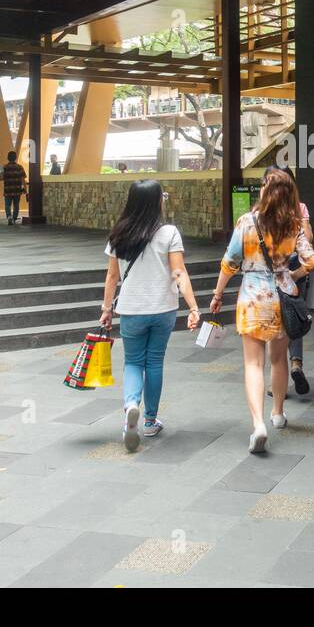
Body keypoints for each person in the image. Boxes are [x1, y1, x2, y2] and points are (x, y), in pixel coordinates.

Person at [210, 169, 314, 453]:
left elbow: (230, 262)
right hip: (283, 297)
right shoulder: (293, 225)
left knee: (253, 364)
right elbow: (311, 260)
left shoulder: (246, 222)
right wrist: (291, 276)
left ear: (266, 193)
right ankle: (278, 413)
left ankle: (258, 424)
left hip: (253, 298)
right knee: (279, 360)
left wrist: (218, 294)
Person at [99, 180, 201, 451]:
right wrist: (193, 307)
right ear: (157, 201)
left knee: (133, 362)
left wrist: (106, 309)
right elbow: (179, 272)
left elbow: (112, 276)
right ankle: (150, 420)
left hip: (131, 309)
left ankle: (131, 405)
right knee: (154, 362)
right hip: (163, 309)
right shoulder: (169, 233)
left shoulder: (118, 233)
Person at [263, 165, 313, 397]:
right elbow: (309, 242)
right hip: (295, 270)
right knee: (293, 317)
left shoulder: (260, 215)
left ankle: (276, 382)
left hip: (269, 275)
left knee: (276, 326)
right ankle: (296, 364)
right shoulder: (300, 208)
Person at [1, 150, 27, 225]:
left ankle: (9, 217)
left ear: (7, 158)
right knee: (16, 205)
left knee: (7, 205)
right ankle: (14, 218)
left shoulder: (5, 167)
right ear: (15, 158)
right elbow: (23, 179)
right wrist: (25, 189)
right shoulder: (19, 167)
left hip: (8, 189)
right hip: (17, 189)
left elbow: (1, 177)